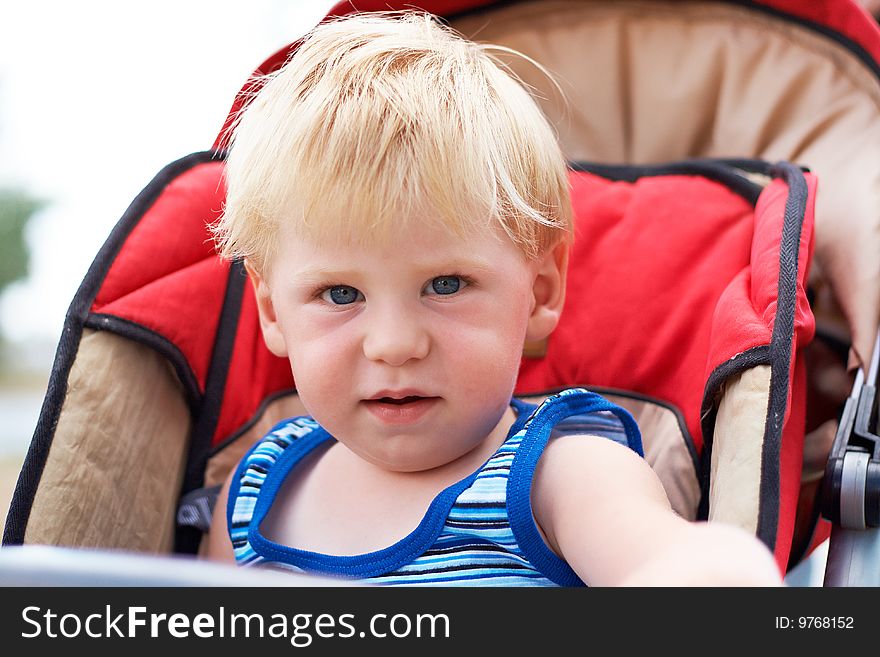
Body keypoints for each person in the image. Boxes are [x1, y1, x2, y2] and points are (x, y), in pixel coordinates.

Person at [205, 11, 782, 586]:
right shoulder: (252, 493)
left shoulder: (562, 478)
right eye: (340, 293)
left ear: (540, 290)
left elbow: (677, 564)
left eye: (446, 285)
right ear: (273, 311)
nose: (395, 344)